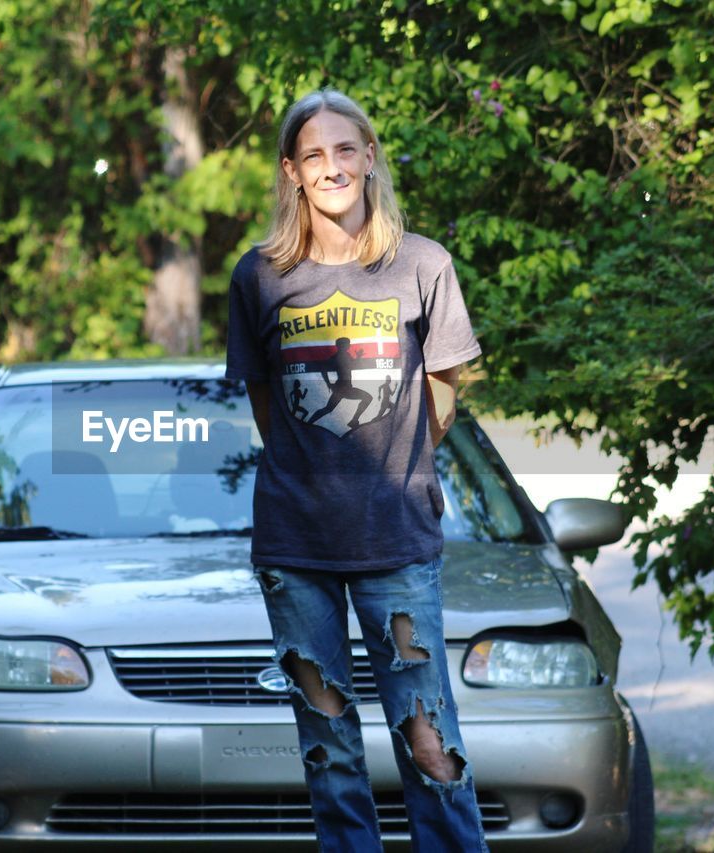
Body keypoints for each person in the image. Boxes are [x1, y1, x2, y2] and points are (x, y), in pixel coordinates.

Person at [225, 88, 489, 853]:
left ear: (370, 156)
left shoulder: (421, 264)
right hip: (296, 545)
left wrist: (394, 467)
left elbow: (442, 390)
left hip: (397, 540)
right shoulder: (261, 276)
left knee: (430, 742)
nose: (332, 166)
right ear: (291, 172)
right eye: (314, 155)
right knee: (330, 751)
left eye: (346, 149)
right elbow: (269, 407)